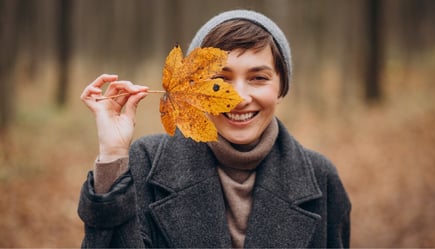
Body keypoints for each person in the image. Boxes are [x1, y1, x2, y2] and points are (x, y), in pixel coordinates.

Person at [78, 9, 351, 248]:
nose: (239, 97)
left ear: (281, 87)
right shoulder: (146, 162)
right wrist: (113, 154)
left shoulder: (321, 177)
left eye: (258, 78)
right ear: (193, 89)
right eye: (220, 80)